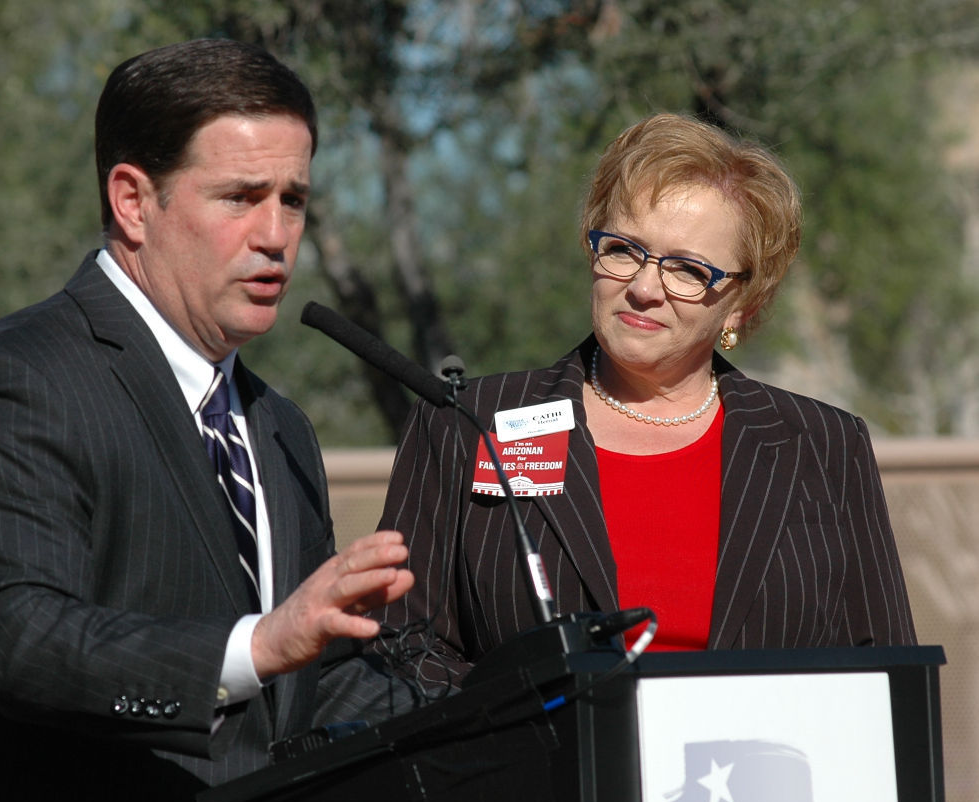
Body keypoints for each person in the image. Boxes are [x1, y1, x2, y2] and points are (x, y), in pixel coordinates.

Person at [0, 39, 418, 802]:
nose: (276, 233)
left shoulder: (278, 427)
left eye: (294, 198)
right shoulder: (7, 384)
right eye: (240, 196)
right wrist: (254, 646)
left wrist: (504, 696)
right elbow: (21, 640)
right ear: (134, 201)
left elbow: (312, 682)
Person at [373, 113, 916, 693]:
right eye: (625, 250)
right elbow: (400, 643)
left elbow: (887, 677)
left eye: (687, 269)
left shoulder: (823, 446)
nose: (644, 287)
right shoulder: (470, 423)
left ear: (741, 306)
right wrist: (529, 738)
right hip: (541, 774)